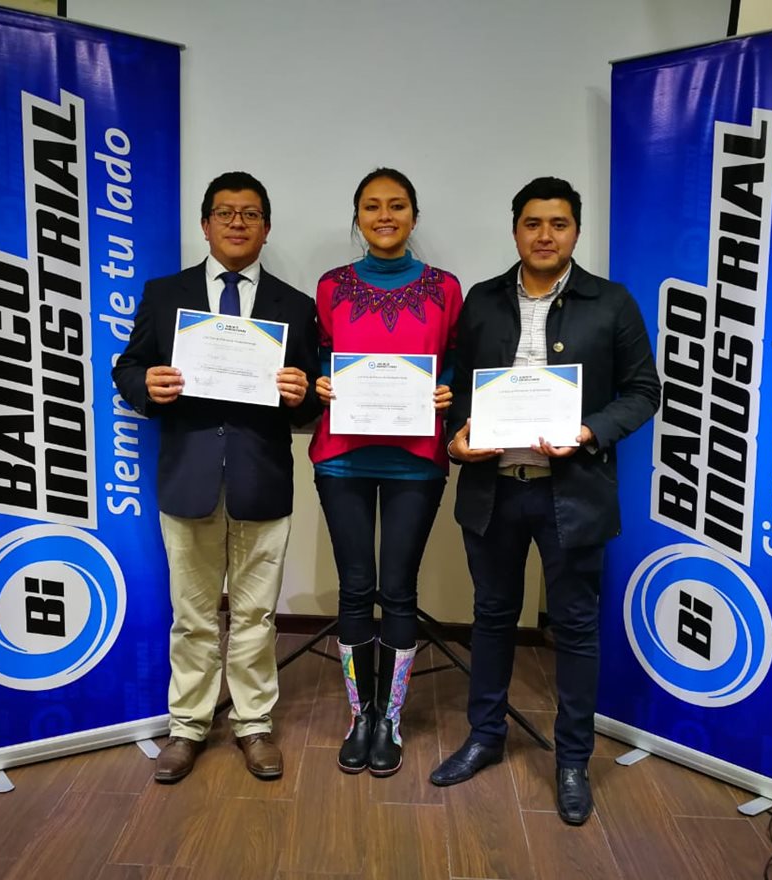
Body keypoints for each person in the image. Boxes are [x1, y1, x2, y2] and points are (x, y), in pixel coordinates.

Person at [430, 177, 660, 824]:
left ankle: (572, 761)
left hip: (573, 494)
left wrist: (587, 432)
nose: (545, 235)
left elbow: (644, 390)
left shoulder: (611, 303)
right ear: (515, 230)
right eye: (532, 223)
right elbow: (457, 387)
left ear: (575, 232)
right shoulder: (482, 300)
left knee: (576, 628)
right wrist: (456, 438)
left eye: (558, 224)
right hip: (494, 491)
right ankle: (485, 736)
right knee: (492, 617)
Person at [113, 172, 319, 783]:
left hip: (262, 477)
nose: (237, 223)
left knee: (256, 615)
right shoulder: (164, 294)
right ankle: (188, 726)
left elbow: (310, 399)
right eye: (225, 213)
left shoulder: (295, 305)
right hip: (189, 475)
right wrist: (145, 385)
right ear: (205, 225)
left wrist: (302, 393)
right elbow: (128, 368)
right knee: (193, 615)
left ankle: (253, 724)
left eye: (250, 213)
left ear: (266, 228)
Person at [311, 168, 463, 776]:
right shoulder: (331, 285)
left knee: (398, 588)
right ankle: (360, 715)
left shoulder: (446, 287)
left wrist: (447, 390)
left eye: (396, 205)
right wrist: (320, 380)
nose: (384, 216)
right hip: (343, 456)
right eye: (372, 206)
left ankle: (390, 719)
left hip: (415, 460)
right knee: (355, 586)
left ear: (414, 216)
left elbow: (456, 359)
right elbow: (318, 354)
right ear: (357, 217)